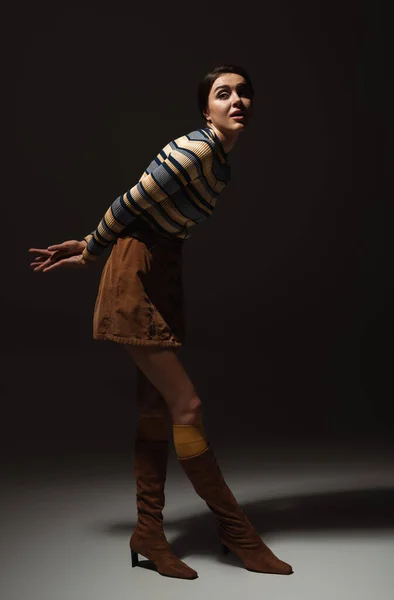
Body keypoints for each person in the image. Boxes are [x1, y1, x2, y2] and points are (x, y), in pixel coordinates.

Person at [29, 64, 293, 580]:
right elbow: (132, 201)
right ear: (206, 108)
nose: (236, 100)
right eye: (223, 93)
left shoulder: (220, 163)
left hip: (161, 270)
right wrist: (92, 252)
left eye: (243, 93)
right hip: (137, 270)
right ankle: (236, 531)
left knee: (155, 407)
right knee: (186, 404)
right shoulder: (197, 150)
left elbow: (149, 212)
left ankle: (148, 533)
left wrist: (89, 244)